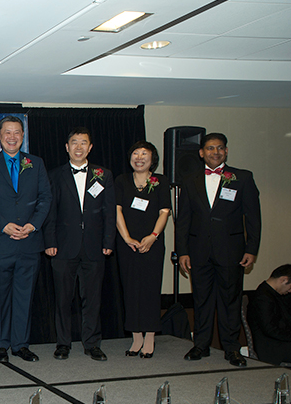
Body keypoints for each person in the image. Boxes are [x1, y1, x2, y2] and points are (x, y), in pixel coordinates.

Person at [177, 132, 261, 367]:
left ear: (226, 151)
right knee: (201, 300)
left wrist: (252, 249)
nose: (216, 152)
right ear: (201, 152)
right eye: (210, 148)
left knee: (230, 301)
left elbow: (253, 217)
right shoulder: (190, 179)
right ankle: (201, 345)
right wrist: (183, 251)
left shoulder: (242, 178)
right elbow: (183, 220)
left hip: (232, 251)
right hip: (199, 251)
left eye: (220, 148)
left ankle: (232, 348)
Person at [0, 116, 51, 362]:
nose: (12, 137)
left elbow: (45, 198)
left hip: (29, 242)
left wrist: (33, 225)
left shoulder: (36, 163)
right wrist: (4, 226)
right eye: (7, 132)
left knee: (24, 296)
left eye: (17, 132)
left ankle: (20, 345)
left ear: (22, 135)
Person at [43, 127, 115, 362]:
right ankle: (63, 343)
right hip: (63, 246)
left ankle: (92, 343)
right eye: (74, 142)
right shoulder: (55, 175)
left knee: (92, 299)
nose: (79, 147)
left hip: (94, 246)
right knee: (63, 299)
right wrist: (50, 241)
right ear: (67, 147)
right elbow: (50, 212)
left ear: (90, 147)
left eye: (83, 142)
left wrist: (108, 240)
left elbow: (109, 211)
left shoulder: (104, 175)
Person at [114, 141, 171, 358]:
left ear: (152, 158)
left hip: (152, 244)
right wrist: (127, 237)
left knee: (150, 289)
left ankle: (150, 336)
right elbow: (116, 210)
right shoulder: (121, 180)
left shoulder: (161, 181)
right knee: (130, 289)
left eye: (144, 154)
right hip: (127, 243)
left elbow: (164, 212)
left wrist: (153, 236)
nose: (139, 158)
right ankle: (136, 337)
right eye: (135, 153)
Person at [248, 265, 291, 366]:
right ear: (283, 280)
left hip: (278, 342)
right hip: (272, 348)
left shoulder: (273, 294)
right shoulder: (263, 298)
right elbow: (270, 330)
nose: (290, 291)